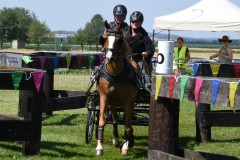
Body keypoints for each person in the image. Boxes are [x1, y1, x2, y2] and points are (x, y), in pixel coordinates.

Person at [125, 11, 154, 87]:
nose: (134, 23)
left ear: (141, 22)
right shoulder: (124, 31)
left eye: (137, 21)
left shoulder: (145, 36)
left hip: (138, 60)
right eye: (133, 21)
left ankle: (147, 85)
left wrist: (146, 53)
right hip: (123, 58)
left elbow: (151, 51)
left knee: (142, 71)